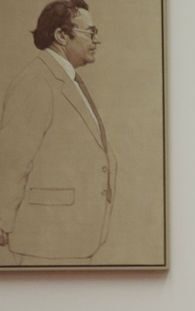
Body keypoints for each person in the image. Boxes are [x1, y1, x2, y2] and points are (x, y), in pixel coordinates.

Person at [0, 0, 115, 264]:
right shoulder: (35, 81)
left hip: (69, 239)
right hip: (44, 241)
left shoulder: (65, 78)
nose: (96, 41)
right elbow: (12, 158)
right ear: (61, 35)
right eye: (91, 33)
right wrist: (3, 220)